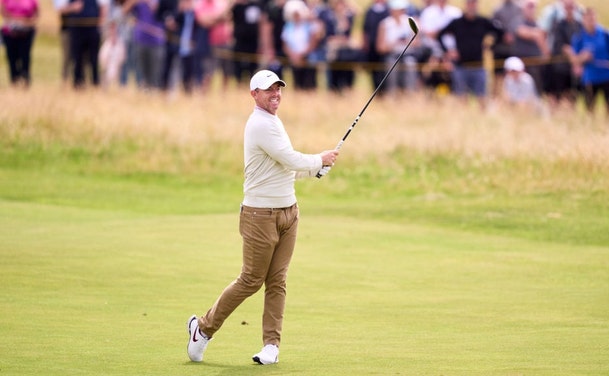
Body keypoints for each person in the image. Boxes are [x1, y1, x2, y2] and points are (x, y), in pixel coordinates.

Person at [186, 69, 339, 365]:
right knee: (251, 280)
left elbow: (282, 166)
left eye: (278, 89)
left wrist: (312, 169)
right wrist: (319, 160)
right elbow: (290, 158)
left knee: (278, 281)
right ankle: (203, 329)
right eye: (269, 90)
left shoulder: (273, 122)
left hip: (288, 212)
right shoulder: (259, 124)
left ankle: (271, 345)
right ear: (254, 94)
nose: (276, 94)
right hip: (259, 215)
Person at [436, 0, 503, 108]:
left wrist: (490, 46)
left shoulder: (482, 21)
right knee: (461, 97)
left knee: (482, 97)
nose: (472, 6)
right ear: (466, 5)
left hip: (478, 65)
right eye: (470, 3)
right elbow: (440, 35)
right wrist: (448, 51)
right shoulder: (457, 23)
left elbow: (500, 32)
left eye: (474, 3)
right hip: (460, 66)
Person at [570, 7, 609, 115]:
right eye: (588, 19)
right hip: (590, 78)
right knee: (590, 109)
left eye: (593, 18)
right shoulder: (579, 37)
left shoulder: (606, 35)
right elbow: (575, 60)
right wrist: (583, 57)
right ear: (583, 20)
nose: (591, 21)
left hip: (608, 77)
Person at [376, 0, 421, 95]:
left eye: (402, 9)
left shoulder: (410, 21)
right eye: (398, 9)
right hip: (391, 56)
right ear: (391, 10)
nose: (401, 11)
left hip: (408, 55)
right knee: (391, 67)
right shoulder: (385, 24)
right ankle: (391, 95)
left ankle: (409, 95)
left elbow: (417, 42)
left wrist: (405, 42)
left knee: (410, 65)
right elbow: (380, 47)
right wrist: (393, 44)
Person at [123, 0, 166, 90]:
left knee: (155, 75)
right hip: (140, 41)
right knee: (141, 74)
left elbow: (166, 12)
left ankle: (154, 95)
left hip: (156, 42)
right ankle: (143, 95)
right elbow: (124, 11)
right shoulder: (139, 2)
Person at [1, 0, 39, 87]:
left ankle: (25, 81)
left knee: (25, 58)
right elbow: (3, 12)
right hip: (9, 32)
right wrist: (18, 21)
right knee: (12, 59)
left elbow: (36, 14)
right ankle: (14, 82)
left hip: (26, 33)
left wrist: (24, 22)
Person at [98, 20, 126, 88]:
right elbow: (102, 60)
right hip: (107, 71)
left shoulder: (121, 44)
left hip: (118, 71)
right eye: (111, 29)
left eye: (114, 29)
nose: (113, 31)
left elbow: (123, 59)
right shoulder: (106, 45)